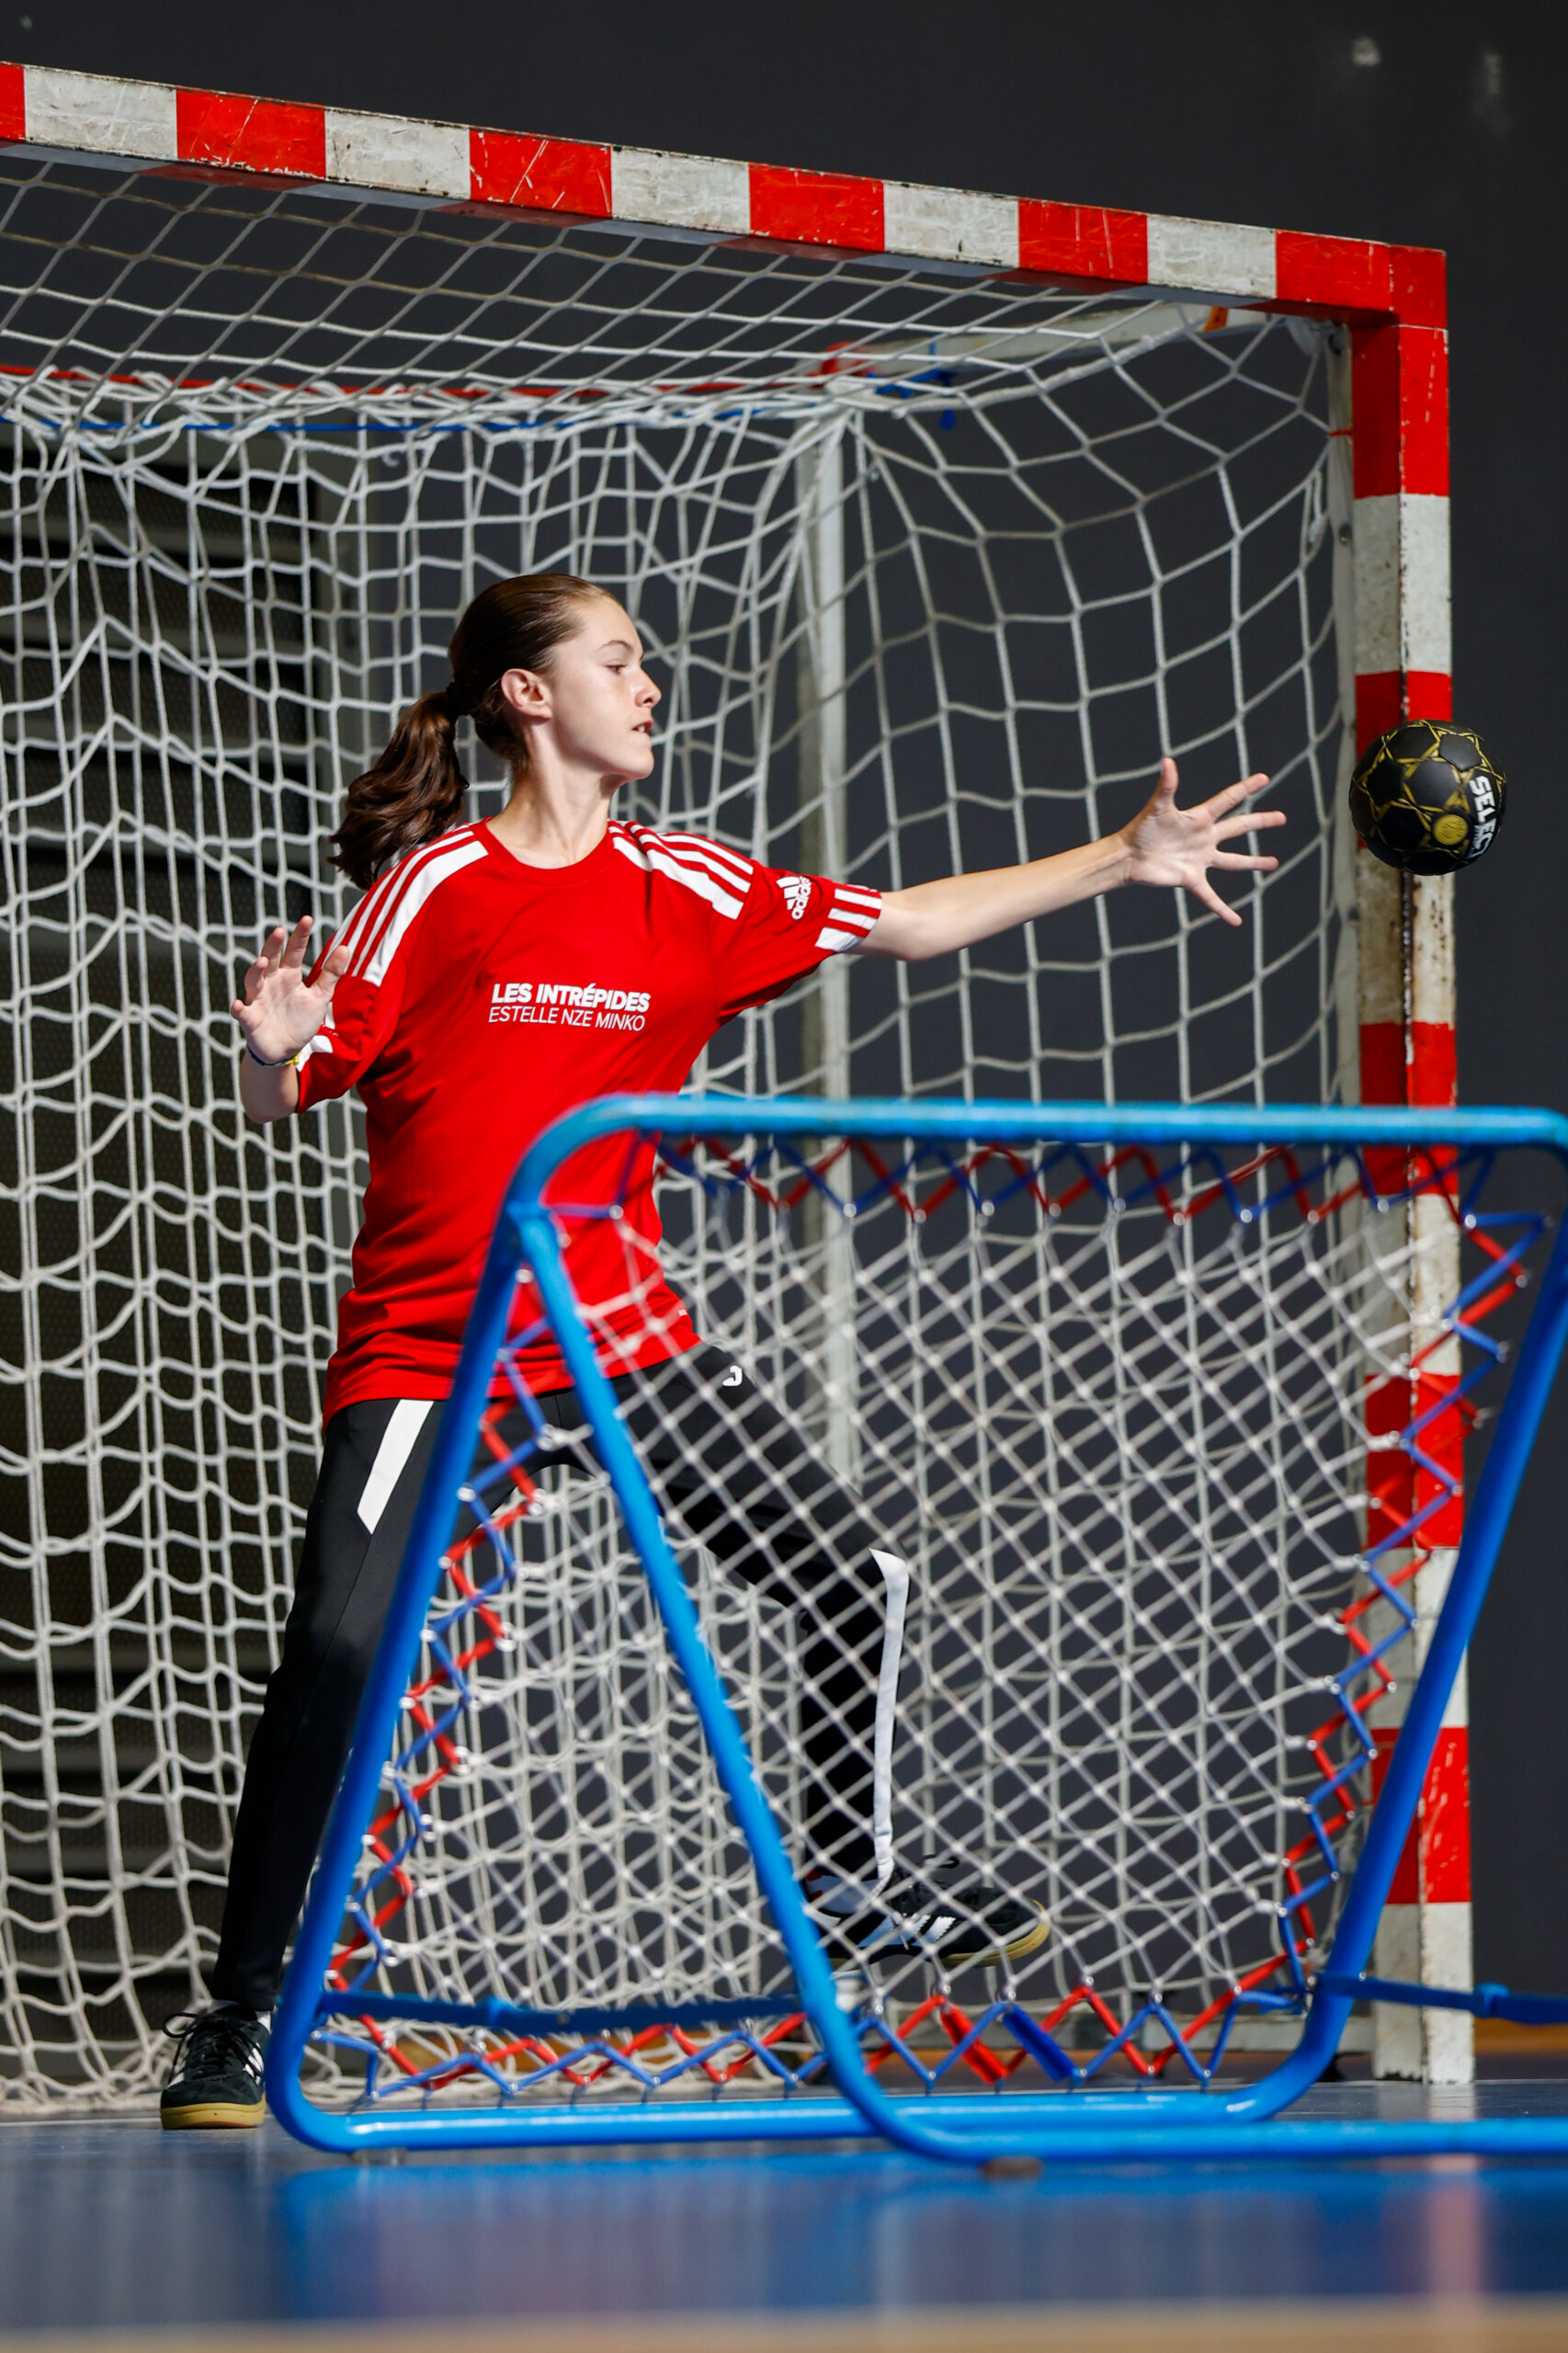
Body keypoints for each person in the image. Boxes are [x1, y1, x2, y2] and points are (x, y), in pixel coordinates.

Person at [159, 572, 1282, 2128]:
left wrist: (1122, 858)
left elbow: (908, 923)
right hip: (434, 1351)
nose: (650, 687)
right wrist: (268, 1058)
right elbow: (293, 1088)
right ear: (527, 695)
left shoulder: (689, 888)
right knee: (339, 1658)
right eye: (617, 661)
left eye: (650, 665)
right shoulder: (433, 890)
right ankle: (235, 2019)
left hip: (620, 1344)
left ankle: (850, 1881)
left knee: (850, 1569)